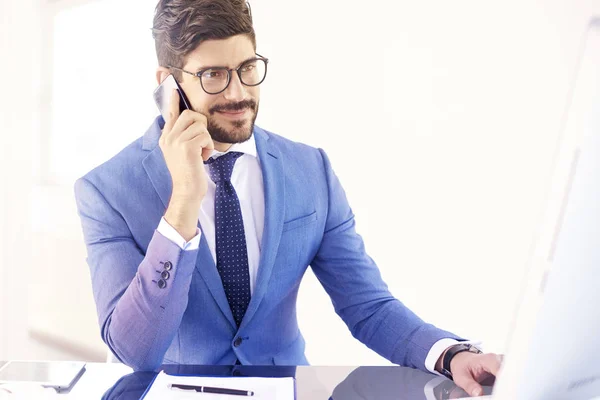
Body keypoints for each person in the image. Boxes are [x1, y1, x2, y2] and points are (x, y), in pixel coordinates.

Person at [74, 0, 500, 396]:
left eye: (247, 68)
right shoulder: (107, 190)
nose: (238, 93)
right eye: (213, 75)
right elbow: (135, 350)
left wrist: (450, 355)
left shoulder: (309, 170)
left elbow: (366, 305)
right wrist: (183, 201)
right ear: (169, 85)